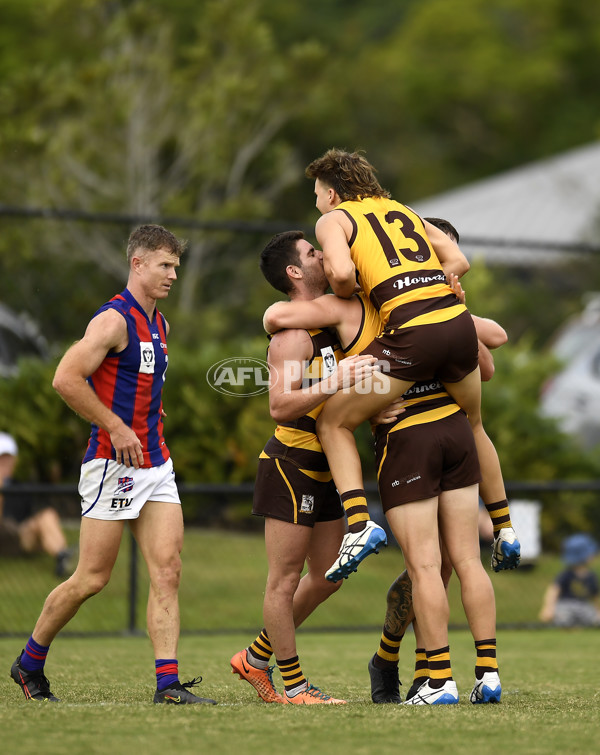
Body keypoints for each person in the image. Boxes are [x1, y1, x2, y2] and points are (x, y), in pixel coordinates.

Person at [263, 221, 505, 705]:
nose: (328, 257)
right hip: (303, 458)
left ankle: (416, 667)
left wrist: (450, 311)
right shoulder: (312, 322)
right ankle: (289, 674)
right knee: (301, 577)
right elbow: (276, 340)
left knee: (430, 571)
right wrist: (361, 391)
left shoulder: (397, 305)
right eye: (315, 252)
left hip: (405, 444)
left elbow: (490, 350)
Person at [9, 224, 216, 705]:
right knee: (92, 579)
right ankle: (29, 661)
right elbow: (65, 379)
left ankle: (168, 685)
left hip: (156, 465)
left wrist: (148, 421)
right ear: (137, 264)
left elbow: (139, 387)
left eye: (176, 267)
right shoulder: (113, 321)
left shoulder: (160, 324)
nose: (172, 275)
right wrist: (117, 427)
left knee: (168, 570)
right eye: (164, 266)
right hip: (111, 465)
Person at [304, 149, 512, 582]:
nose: (318, 205)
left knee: (334, 423)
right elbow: (459, 261)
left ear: (332, 193)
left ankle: (358, 524)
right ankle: (505, 526)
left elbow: (340, 275)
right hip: (455, 323)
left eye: (319, 196)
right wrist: (431, 280)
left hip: (413, 335)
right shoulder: (402, 209)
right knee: (474, 424)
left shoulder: (334, 220)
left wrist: (366, 287)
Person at [230, 231, 376, 705]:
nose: (322, 255)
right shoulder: (291, 335)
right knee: (284, 579)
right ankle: (293, 685)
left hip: (330, 467)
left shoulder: (333, 321)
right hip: (291, 465)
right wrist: (337, 379)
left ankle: (254, 658)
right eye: (312, 252)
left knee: (332, 572)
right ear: (294, 272)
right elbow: (279, 404)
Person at [0, 432, 74, 577]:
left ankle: (62, 556)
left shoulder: (21, 488)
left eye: (8, 459)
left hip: (18, 537)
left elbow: (32, 518)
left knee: (47, 515)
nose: (5, 464)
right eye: (1, 459)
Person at [539, 533, 600, 627]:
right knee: (563, 616)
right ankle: (570, 626)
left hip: (583, 606)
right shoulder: (566, 575)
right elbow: (554, 590)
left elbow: (596, 596)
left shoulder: (591, 576)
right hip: (566, 605)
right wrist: (548, 608)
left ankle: (578, 625)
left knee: (594, 618)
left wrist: (598, 611)